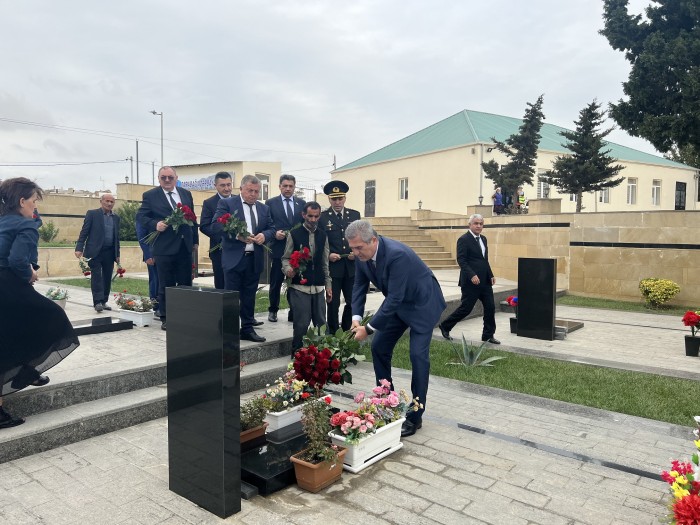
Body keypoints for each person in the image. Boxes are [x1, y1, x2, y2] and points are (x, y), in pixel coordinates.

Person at [348, 220, 446, 438]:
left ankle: (416, 414)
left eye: (359, 248)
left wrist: (369, 328)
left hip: (422, 304)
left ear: (373, 240)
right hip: (399, 305)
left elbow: (394, 298)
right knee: (379, 347)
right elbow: (359, 286)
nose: (355, 253)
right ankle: (386, 402)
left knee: (417, 356)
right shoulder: (363, 255)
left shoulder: (396, 254)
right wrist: (356, 318)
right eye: (352, 248)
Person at [0, 177, 80, 428]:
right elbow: (17, 261)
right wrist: (30, 274)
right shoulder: (26, 225)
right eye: (34, 201)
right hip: (9, 285)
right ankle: (27, 370)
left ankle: (25, 371)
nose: (36, 206)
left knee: (10, 335)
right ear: (22, 201)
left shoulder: (2, 222)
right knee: (53, 318)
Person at [213, 174, 275, 342]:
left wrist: (265, 235)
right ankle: (229, 330)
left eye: (256, 191)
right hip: (234, 258)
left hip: (253, 258)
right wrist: (237, 235)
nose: (253, 194)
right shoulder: (227, 203)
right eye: (250, 190)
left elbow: (271, 227)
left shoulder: (264, 209)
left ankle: (247, 328)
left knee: (249, 296)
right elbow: (216, 225)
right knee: (231, 296)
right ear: (241, 189)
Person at [136, 166, 199, 331]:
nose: (167, 180)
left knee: (186, 283)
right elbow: (141, 217)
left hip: (185, 247)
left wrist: (195, 241)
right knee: (166, 284)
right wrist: (155, 224)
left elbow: (192, 218)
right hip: (164, 248)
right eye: (163, 177)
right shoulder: (150, 196)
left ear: (176, 178)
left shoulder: (186, 194)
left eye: (170, 177)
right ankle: (166, 317)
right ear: (159, 179)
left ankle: (185, 315)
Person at [438, 214, 499, 344]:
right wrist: (472, 275)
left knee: (490, 307)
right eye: (476, 223)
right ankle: (445, 326)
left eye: (481, 223)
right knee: (466, 308)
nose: (478, 226)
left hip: (485, 281)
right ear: (469, 225)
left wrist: (491, 274)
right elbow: (461, 260)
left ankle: (488, 335)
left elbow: (484, 260)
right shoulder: (463, 239)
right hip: (471, 282)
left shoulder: (484, 239)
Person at [282, 202, 331, 355]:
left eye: (316, 216)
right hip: (299, 287)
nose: (313, 219)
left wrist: (328, 284)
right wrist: (288, 269)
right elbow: (285, 258)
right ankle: (297, 354)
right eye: (310, 216)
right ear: (304, 215)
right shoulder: (294, 234)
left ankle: (324, 355)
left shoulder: (323, 235)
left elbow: (325, 263)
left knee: (321, 323)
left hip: (318, 287)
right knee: (302, 324)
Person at [320, 180, 360, 333]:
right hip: (333, 267)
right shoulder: (323, 217)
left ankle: (346, 329)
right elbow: (320, 241)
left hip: (351, 267)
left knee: (351, 301)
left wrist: (355, 253)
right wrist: (328, 255)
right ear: (329, 199)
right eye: (334, 199)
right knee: (333, 302)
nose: (337, 202)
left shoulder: (354, 215)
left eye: (340, 198)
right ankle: (332, 331)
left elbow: (360, 237)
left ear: (345, 198)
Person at [265, 174, 305, 323]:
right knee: (276, 281)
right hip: (278, 249)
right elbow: (266, 224)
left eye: (291, 186)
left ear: (294, 187)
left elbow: (304, 225)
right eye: (285, 186)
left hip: (296, 251)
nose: (288, 189)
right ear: (280, 186)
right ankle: (273, 310)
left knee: (294, 282)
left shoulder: (301, 204)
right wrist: (275, 234)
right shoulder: (270, 203)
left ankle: (293, 311)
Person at [74, 193, 121, 312]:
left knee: (107, 277)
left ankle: (104, 301)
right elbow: (84, 232)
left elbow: (117, 237)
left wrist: (117, 254)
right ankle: (97, 302)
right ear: (101, 201)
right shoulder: (92, 214)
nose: (109, 203)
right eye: (107, 201)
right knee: (97, 276)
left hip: (109, 252)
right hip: (94, 251)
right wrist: (79, 248)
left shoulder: (116, 218)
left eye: (112, 202)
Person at [200, 172, 233, 290]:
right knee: (221, 283)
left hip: (238, 250)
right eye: (222, 185)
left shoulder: (239, 200)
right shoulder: (209, 203)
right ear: (215, 185)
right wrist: (223, 236)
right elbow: (204, 226)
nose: (226, 188)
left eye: (229, 184)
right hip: (218, 250)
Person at [135, 219, 160, 317]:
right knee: (155, 279)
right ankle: (156, 306)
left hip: (166, 252)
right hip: (152, 254)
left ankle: (164, 305)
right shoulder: (143, 214)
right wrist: (148, 255)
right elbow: (142, 237)